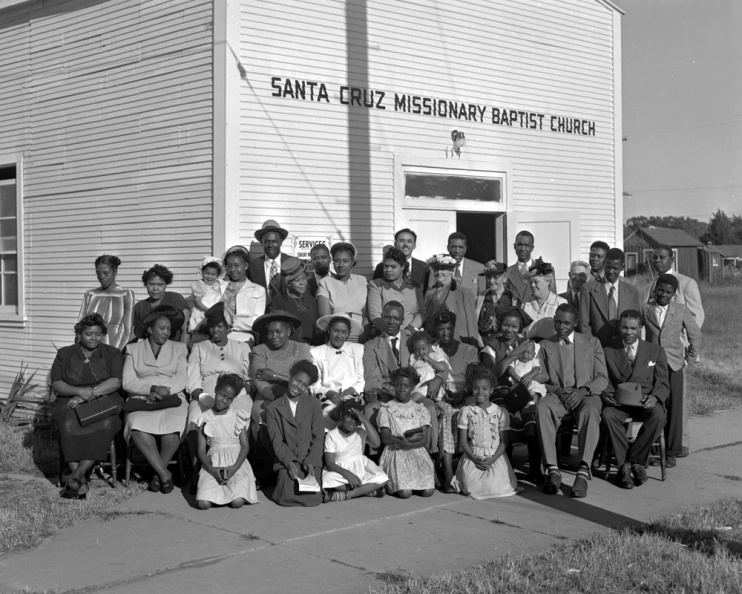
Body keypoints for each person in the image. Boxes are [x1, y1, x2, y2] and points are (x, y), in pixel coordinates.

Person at [533, 304, 608, 498]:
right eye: (557, 321)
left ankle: (582, 472)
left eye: (566, 323)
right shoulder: (545, 346)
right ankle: (552, 470)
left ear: (575, 323)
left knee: (591, 411)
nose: (561, 327)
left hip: (585, 395)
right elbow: (542, 379)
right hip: (558, 395)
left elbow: (602, 377)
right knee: (542, 408)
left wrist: (583, 391)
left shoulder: (592, 343)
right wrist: (557, 390)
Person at [52, 314, 125, 499]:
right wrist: (79, 392)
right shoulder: (64, 353)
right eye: (89, 333)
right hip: (69, 399)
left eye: (98, 334)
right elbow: (57, 384)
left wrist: (87, 394)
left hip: (105, 400)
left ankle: (76, 476)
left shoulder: (112, 353)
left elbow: (115, 382)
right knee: (68, 423)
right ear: (79, 334)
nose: (94, 337)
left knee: (106, 424)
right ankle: (82, 481)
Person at [123, 306, 188, 494]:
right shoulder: (133, 349)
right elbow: (128, 381)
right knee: (135, 424)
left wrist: (163, 392)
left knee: (175, 424)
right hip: (143, 399)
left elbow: (181, 378)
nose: (166, 332)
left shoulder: (179, 348)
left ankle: (157, 473)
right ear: (150, 329)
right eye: (161, 328)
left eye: (168, 329)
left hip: (172, 398)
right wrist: (150, 389)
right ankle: (164, 474)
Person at [186, 303, 252, 487]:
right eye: (212, 326)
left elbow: (249, 379)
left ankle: (239, 470)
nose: (215, 330)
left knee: (241, 414)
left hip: (237, 394)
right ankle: (197, 470)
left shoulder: (241, 347)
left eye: (220, 326)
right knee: (196, 417)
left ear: (228, 327)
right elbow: (192, 381)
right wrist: (202, 397)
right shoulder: (199, 347)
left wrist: (238, 395)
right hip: (207, 394)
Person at [601, 310, 669, 488]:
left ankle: (631, 462)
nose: (628, 332)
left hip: (644, 401)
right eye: (624, 327)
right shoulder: (608, 351)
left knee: (659, 416)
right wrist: (607, 394)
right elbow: (603, 378)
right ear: (619, 327)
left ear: (640, 328)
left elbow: (662, 382)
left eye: (633, 328)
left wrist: (655, 397)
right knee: (608, 416)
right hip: (619, 402)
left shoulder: (655, 351)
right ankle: (628, 466)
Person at [641, 274, 701, 467]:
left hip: (674, 364)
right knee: (654, 405)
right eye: (660, 290)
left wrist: (688, 359)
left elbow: (696, 336)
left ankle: (672, 452)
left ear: (674, 294)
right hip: (651, 366)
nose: (663, 295)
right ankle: (652, 448)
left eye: (668, 292)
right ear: (655, 289)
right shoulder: (645, 308)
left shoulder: (680, 310)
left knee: (674, 408)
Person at [363, 302, 439, 453]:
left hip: (413, 392)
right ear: (382, 318)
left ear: (402, 320)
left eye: (396, 318)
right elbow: (372, 375)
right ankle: (378, 457)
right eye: (387, 317)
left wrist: (440, 378)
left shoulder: (412, 340)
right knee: (371, 409)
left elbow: (436, 357)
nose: (391, 321)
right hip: (387, 393)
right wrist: (375, 390)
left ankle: (430, 455)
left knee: (429, 407)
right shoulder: (371, 345)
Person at [481, 307, 542, 483]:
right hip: (499, 391)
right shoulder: (491, 345)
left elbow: (540, 369)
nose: (509, 330)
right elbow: (492, 375)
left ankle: (535, 468)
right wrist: (513, 354)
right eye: (506, 325)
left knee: (531, 419)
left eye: (514, 327)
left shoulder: (528, 344)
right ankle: (505, 467)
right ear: (500, 325)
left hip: (522, 391)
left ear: (520, 327)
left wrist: (531, 377)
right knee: (505, 418)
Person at [450, 365, 519, 499]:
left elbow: (504, 442)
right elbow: (463, 441)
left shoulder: (500, 412)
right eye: (476, 388)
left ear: (492, 390)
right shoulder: (466, 411)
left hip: (495, 457)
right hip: (473, 456)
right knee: (471, 487)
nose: (480, 392)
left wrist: (491, 460)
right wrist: (475, 459)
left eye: (484, 388)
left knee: (497, 487)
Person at [431, 311, 481, 490]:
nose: (445, 332)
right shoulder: (431, 350)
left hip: (466, 392)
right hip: (443, 394)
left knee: (471, 411)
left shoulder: (468, 349)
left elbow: (472, 377)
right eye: (441, 329)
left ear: (454, 328)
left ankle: (472, 465)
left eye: (449, 328)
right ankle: (448, 471)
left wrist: (464, 392)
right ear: (435, 330)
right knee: (449, 413)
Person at [194, 374, 259, 509]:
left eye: (229, 398)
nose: (224, 400)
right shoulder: (204, 417)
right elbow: (200, 450)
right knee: (203, 504)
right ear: (216, 390)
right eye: (222, 395)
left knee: (237, 502)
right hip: (213, 464)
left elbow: (245, 447)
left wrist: (234, 468)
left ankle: (234, 492)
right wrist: (211, 469)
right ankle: (216, 492)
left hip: (236, 464)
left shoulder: (238, 415)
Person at [265, 360, 325, 507]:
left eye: (304, 385)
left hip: (309, 460)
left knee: (313, 499)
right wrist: (289, 462)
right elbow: (277, 441)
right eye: (297, 380)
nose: (299, 386)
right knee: (286, 497)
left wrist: (311, 460)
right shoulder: (273, 408)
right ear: (290, 377)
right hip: (288, 460)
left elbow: (318, 437)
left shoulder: (314, 404)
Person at [249, 311, 312, 447]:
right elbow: (259, 380)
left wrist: (275, 376)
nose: (274, 336)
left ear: (288, 331)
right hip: (267, 397)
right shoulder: (260, 350)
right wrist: (274, 398)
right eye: (270, 332)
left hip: (298, 396)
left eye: (278, 332)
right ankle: (273, 458)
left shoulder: (302, 349)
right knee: (262, 414)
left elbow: (305, 377)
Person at [377, 367, 436, 499]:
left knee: (428, 492)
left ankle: (415, 482)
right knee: (405, 493)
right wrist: (401, 443)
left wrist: (409, 444)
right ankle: (392, 483)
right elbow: (386, 437)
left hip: (416, 451)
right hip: (396, 452)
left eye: (406, 386)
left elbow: (424, 439)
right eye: (398, 385)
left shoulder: (420, 410)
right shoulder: (387, 408)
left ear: (413, 387)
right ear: (394, 385)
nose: (402, 389)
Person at [321, 400, 389, 502]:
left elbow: (376, 443)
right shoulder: (332, 435)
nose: (353, 421)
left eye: (356, 418)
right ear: (341, 415)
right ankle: (368, 491)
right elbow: (330, 463)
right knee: (327, 479)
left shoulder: (360, 432)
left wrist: (365, 420)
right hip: (340, 470)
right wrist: (348, 474)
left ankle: (347, 495)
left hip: (360, 467)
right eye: (349, 416)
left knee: (382, 477)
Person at [310, 314, 365, 426]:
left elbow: (362, 378)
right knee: (327, 414)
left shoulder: (358, 349)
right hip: (329, 399)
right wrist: (329, 392)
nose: (339, 336)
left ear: (348, 333)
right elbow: (314, 383)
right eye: (336, 331)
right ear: (328, 330)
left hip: (353, 398)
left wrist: (352, 389)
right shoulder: (316, 352)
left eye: (343, 332)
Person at [578, 248, 641, 347]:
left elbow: (636, 325)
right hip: (597, 349)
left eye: (615, 268)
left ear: (622, 267)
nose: (611, 271)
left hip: (623, 350)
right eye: (608, 267)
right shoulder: (588, 289)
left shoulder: (632, 292)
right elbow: (584, 325)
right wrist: (593, 348)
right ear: (604, 264)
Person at [78, 255, 135, 350]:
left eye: (106, 273)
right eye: (98, 273)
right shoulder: (90, 294)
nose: (101, 277)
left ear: (115, 271)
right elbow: (80, 325)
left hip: (114, 348)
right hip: (89, 349)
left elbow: (126, 329)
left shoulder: (125, 295)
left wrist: (114, 353)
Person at [317, 242, 368, 342]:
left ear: (352, 262)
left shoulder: (362, 281)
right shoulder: (325, 283)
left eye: (345, 261)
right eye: (337, 261)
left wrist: (363, 340)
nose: (341, 265)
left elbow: (366, 315)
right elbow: (325, 319)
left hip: (360, 336)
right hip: (336, 337)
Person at [423, 253, 479, 346]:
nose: (438, 272)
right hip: (433, 345)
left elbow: (472, 326)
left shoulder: (464, 292)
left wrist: (472, 349)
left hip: (458, 344)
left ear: (452, 270)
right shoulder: (429, 293)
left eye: (443, 269)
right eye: (436, 269)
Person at [367, 246, 424, 336]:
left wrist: (409, 331)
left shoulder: (415, 286)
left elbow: (420, 313)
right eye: (386, 266)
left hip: (411, 336)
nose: (388, 270)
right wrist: (393, 334)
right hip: (385, 336)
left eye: (393, 267)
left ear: (402, 266)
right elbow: (375, 315)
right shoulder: (376, 285)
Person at [132, 264, 190, 345]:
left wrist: (182, 353)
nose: (155, 288)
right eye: (151, 284)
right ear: (145, 284)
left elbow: (186, 330)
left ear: (166, 284)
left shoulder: (175, 298)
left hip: (175, 350)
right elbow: (134, 334)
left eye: (160, 284)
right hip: (150, 353)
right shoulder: (140, 306)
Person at [220, 245, 267, 345]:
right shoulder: (220, 286)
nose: (232, 269)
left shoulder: (258, 290)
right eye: (229, 265)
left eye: (237, 265)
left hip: (243, 338)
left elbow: (257, 321)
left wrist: (232, 323)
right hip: (218, 336)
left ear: (245, 265)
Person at [249, 219, 302, 304]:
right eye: (266, 242)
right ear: (261, 242)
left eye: (274, 241)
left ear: (281, 241)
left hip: (288, 314)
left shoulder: (293, 263)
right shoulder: (253, 266)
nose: (270, 245)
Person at [270, 260, 321, 345]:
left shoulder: (310, 299)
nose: (302, 283)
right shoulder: (279, 300)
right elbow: (278, 328)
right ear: (288, 283)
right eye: (297, 281)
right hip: (289, 347)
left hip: (311, 347)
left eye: (304, 279)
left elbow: (317, 326)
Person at [428, 232, 485, 297]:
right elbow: (430, 293)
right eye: (453, 247)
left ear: (465, 249)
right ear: (448, 248)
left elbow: (482, 296)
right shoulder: (437, 268)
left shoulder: (479, 268)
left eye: (460, 247)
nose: (457, 251)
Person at [505, 231, 556, 303]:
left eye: (526, 245)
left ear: (532, 248)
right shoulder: (507, 272)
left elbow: (553, 299)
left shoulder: (545, 269)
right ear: (514, 246)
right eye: (520, 245)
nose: (523, 248)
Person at [522, 258, 566, 339]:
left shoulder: (560, 303)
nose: (532, 285)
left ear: (548, 281)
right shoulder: (526, 305)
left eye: (536, 282)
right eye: (530, 282)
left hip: (552, 347)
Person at [476, 260, 516, 344]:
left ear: (504, 278)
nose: (491, 281)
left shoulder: (512, 298)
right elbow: (474, 324)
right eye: (489, 277)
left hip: (504, 345)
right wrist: (481, 345)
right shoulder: (481, 296)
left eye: (496, 277)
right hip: (482, 344)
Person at [409, 330, 450, 402]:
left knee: (412, 399)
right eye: (417, 350)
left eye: (423, 349)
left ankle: (406, 406)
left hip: (432, 387)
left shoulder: (434, 355)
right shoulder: (414, 359)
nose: (421, 352)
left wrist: (429, 360)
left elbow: (442, 368)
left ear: (429, 346)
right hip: (418, 387)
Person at [189, 256, 224, 334]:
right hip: (203, 310)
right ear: (202, 272)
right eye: (207, 273)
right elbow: (197, 301)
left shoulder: (218, 283)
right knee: (203, 330)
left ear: (217, 275)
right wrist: (208, 311)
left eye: (213, 274)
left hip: (215, 309)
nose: (210, 277)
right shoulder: (200, 285)